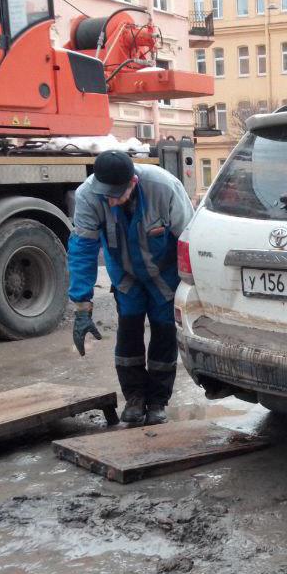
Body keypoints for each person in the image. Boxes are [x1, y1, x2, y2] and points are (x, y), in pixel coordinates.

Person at [67, 151, 193, 425]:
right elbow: (82, 249)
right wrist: (81, 306)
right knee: (129, 332)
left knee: (163, 332)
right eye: (106, 194)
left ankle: (158, 401)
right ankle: (134, 398)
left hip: (165, 275)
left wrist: (197, 290)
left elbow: (189, 239)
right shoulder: (88, 195)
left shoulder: (164, 187)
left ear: (133, 182)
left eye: (117, 194)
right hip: (126, 275)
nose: (110, 200)